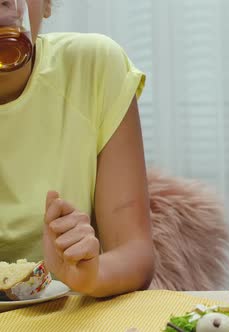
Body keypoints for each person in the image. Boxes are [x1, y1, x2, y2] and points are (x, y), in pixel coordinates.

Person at [0, 0, 155, 297]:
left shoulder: (93, 66)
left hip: (70, 313)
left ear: (47, 4)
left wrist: (90, 276)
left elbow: (135, 252)